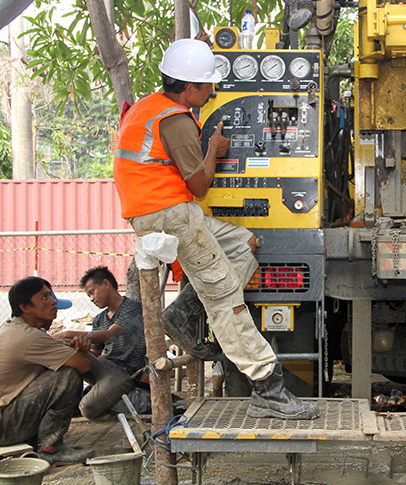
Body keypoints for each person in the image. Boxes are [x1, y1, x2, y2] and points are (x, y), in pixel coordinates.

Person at [113, 38, 319, 420]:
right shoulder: (175, 119)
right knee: (225, 298)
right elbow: (199, 185)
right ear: (189, 87)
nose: (213, 91)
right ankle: (268, 389)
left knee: (244, 243)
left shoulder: (147, 106)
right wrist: (214, 150)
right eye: (208, 84)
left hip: (167, 213)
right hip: (169, 214)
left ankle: (184, 311)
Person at [0, 277, 94, 463]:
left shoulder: (14, 327)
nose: (53, 302)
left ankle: (42, 442)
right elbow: (83, 365)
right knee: (67, 376)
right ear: (25, 307)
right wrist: (80, 350)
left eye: (50, 296)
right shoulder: (28, 336)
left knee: (58, 369)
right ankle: (51, 449)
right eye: (44, 297)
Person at [53, 266, 147, 418]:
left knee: (88, 408)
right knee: (66, 349)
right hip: (104, 365)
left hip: (126, 371)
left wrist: (68, 334)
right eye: (88, 295)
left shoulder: (132, 307)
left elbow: (110, 334)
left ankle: (138, 400)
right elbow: (94, 353)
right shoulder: (99, 319)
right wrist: (80, 347)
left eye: (92, 292)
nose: (91, 299)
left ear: (106, 284)